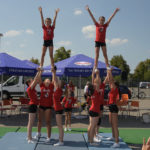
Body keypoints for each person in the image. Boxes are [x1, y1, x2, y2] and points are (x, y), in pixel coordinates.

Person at [34, 77, 54, 143]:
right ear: (44, 82)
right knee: (39, 120)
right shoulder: (42, 85)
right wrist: (40, 69)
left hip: (48, 106)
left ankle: (48, 137)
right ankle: (38, 133)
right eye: (47, 81)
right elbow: (39, 79)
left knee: (48, 122)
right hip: (41, 106)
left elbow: (53, 79)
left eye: (49, 81)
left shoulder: (51, 86)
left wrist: (53, 72)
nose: (48, 82)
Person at [26, 69, 42, 143]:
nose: (33, 81)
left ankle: (29, 136)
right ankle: (29, 138)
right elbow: (36, 79)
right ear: (29, 83)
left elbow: (37, 79)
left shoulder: (33, 89)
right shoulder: (29, 89)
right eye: (31, 81)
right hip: (32, 106)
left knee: (31, 122)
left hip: (34, 106)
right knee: (31, 122)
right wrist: (38, 71)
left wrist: (40, 72)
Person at [87, 68, 102, 146]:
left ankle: (89, 139)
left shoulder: (92, 91)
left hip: (92, 109)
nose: (97, 85)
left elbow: (94, 82)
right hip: (95, 110)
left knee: (91, 125)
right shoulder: (95, 92)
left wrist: (94, 74)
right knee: (93, 126)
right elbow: (98, 82)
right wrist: (97, 73)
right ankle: (91, 141)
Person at [106, 69, 120, 148]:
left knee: (115, 125)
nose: (110, 84)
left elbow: (111, 80)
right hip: (111, 106)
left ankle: (117, 142)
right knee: (111, 122)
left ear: (115, 85)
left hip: (114, 107)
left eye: (112, 84)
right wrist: (108, 73)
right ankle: (113, 136)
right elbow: (109, 80)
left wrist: (110, 72)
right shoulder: (112, 90)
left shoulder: (115, 89)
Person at [51, 66, 64, 146]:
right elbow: (54, 80)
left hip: (58, 109)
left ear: (60, 85)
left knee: (59, 125)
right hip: (58, 108)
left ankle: (61, 141)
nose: (57, 82)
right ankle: (61, 140)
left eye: (59, 82)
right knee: (59, 125)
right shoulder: (58, 89)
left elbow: (55, 80)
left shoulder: (59, 90)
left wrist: (54, 72)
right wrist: (53, 73)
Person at [94, 73, 109, 142]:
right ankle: (94, 134)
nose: (100, 81)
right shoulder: (95, 87)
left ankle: (97, 132)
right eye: (98, 80)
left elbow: (106, 79)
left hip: (101, 104)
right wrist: (97, 74)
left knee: (99, 118)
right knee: (95, 119)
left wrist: (109, 72)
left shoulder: (102, 85)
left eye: (100, 80)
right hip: (96, 105)